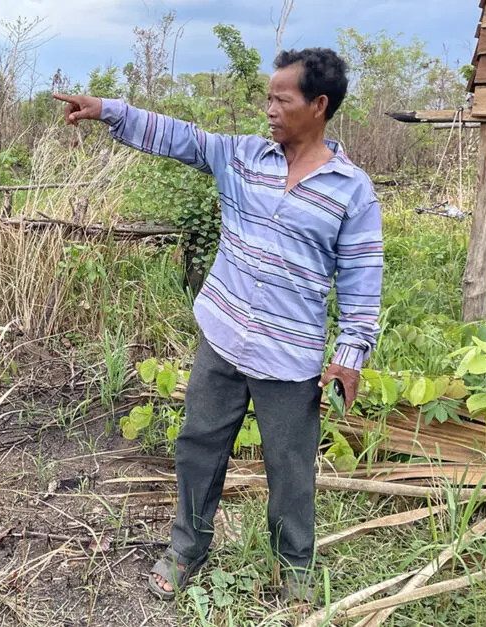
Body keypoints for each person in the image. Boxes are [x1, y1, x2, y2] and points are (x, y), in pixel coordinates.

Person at [54, 47, 382, 604]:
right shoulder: (245, 158)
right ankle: (187, 549)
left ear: (319, 105)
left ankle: (296, 567)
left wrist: (350, 353)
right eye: (269, 97)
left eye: (282, 99)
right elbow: (184, 137)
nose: (270, 109)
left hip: (289, 357)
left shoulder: (352, 190)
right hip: (224, 338)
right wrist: (109, 109)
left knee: (290, 468)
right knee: (199, 447)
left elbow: (360, 276)